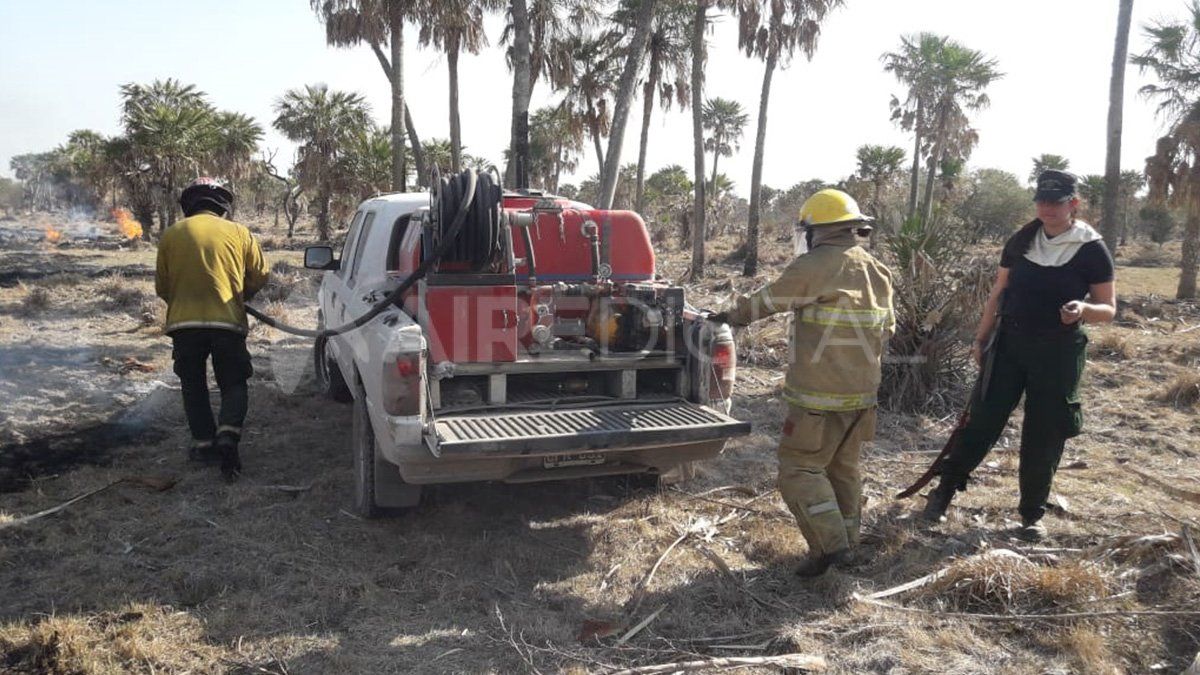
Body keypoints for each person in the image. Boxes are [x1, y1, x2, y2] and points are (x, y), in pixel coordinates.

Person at [921, 170, 1116, 540]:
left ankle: (1031, 515)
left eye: (1056, 202)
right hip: (1009, 345)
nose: (1047, 207)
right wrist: (980, 340)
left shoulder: (1091, 248)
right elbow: (998, 293)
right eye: (1042, 200)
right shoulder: (1023, 240)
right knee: (982, 419)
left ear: (1073, 204)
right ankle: (943, 493)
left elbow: (1108, 307)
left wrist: (1083, 310)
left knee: (1045, 430)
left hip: (1058, 352)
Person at [713, 189, 895, 577]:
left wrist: (728, 316)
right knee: (842, 469)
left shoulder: (815, 264)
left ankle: (830, 548)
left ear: (817, 230)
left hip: (819, 397)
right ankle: (847, 544)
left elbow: (768, 301)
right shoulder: (877, 270)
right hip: (863, 396)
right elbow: (889, 328)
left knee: (799, 468)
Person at [155, 177, 270, 481]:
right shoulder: (239, 233)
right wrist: (240, 295)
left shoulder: (171, 235)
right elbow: (260, 275)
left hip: (183, 325)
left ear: (189, 204)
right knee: (233, 382)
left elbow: (162, 286)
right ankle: (228, 434)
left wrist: (181, 303)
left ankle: (204, 443)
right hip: (228, 323)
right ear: (222, 206)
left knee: (193, 385)